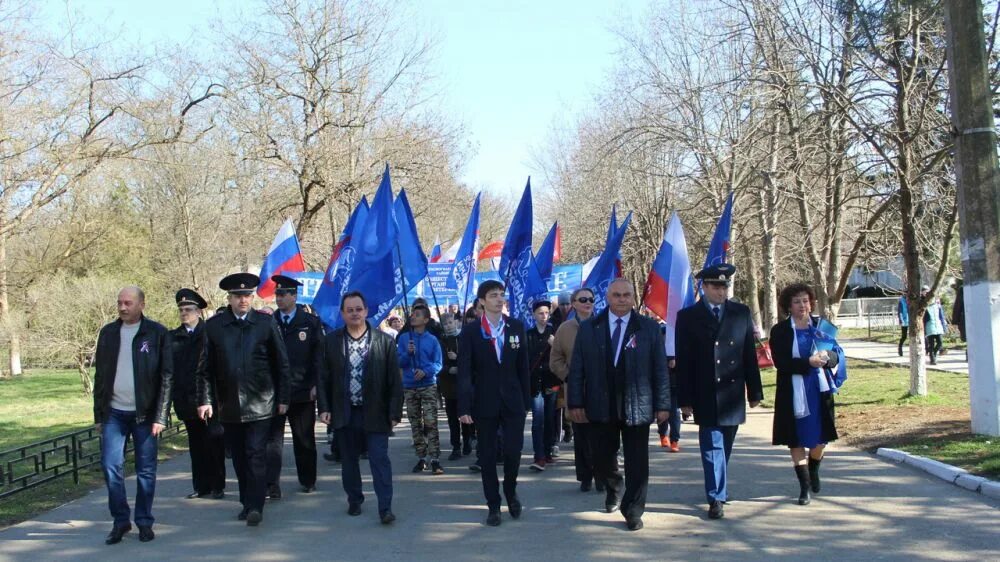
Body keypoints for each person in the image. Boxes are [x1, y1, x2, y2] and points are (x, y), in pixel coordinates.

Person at [567, 279, 670, 532]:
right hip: (601, 403)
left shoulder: (648, 328)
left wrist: (663, 403)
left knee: (638, 462)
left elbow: (660, 369)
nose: (622, 299)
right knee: (601, 457)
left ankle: (633, 510)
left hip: (638, 402)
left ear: (633, 297)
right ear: (608, 297)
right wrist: (575, 401)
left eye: (627, 295)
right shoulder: (591, 328)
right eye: (617, 295)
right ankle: (614, 487)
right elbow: (577, 368)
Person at [197, 273, 291, 527]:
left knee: (255, 454)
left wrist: (283, 397)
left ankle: (256, 505)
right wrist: (205, 401)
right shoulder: (215, 327)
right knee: (238, 457)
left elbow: (281, 363)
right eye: (238, 296)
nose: (243, 300)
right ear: (229, 298)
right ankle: (246, 502)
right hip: (229, 405)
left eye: (248, 295)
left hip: (262, 402)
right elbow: (205, 369)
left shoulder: (264, 324)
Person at [675, 263, 764, 521]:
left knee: (724, 445)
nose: (721, 291)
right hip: (705, 392)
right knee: (712, 445)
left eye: (725, 286)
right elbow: (684, 361)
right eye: (716, 286)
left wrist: (754, 391)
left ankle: (718, 485)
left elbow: (749, 354)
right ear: (704, 287)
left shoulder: (740, 313)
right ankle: (716, 497)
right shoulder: (688, 316)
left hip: (732, 392)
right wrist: (685, 400)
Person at [93, 286, 173, 545]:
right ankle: (120, 521)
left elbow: (166, 377)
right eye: (119, 303)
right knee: (110, 466)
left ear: (141, 304)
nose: (122, 307)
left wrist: (161, 415)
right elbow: (100, 376)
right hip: (114, 414)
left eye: (128, 303)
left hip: (145, 415)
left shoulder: (157, 333)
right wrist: (98, 415)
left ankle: (144, 521)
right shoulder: (108, 333)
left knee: (145, 471)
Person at [317, 291, 402, 525]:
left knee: (379, 459)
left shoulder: (383, 341)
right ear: (343, 314)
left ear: (366, 311)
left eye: (358, 309)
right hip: (345, 412)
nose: (355, 313)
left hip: (375, 411)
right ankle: (354, 499)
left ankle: (385, 507)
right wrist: (323, 407)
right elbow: (323, 377)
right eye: (350, 310)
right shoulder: (331, 341)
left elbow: (394, 380)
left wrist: (395, 412)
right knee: (349, 461)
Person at [458, 280, 530, 526]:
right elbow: (465, 371)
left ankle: (510, 491)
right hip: (485, 402)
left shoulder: (516, 327)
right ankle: (493, 505)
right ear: (482, 301)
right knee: (487, 456)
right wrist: (464, 407)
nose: (499, 299)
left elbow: (523, 367)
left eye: (501, 295)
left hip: (513, 401)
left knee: (513, 452)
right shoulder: (470, 331)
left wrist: (526, 399)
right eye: (493, 295)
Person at [770, 283, 841, 505]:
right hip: (793, 391)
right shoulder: (780, 331)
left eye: (805, 301)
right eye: (797, 301)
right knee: (796, 438)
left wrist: (828, 359)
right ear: (788, 306)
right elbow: (781, 363)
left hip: (819, 390)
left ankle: (814, 467)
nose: (803, 305)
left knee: (822, 439)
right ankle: (804, 487)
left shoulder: (822, 326)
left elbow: (836, 354)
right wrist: (807, 362)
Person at [266, 275, 323, 497]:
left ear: (294, 296)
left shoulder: (309, 323)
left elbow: (318, 358)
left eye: (283, 294)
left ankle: (308, 479)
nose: (278, 298)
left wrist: (315, 385)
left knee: (304, 438)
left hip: (302, 390)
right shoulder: (269, 322)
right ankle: (272, 484)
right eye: (277, 294)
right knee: (273, 441)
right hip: (275, 391)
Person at [171, 288, 225, 501]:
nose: (184, 313)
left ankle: (218, 485)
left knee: (214, 442)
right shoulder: (173, 337)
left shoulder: (209, 333)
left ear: (199, 312)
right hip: (186, 399)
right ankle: (201, 485)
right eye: (182, 310)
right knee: (196, 446)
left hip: (210, 398)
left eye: (189, 309)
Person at [550, 287, 601, 492]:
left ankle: (603, 474)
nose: (587, 302)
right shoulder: (565, 329)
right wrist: (570, 377)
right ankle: (585, 475)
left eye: (590, 299)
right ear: (574, 303)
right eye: (583, 299)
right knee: (581, 435)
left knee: (602, 435)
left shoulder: (603, 325)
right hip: (576, 390)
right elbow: (556, 360)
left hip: (601, 391)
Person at [397, 305, 445, 475]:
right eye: (412, 314)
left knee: (431, 422)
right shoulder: (403, 339)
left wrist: (426, 371)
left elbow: (438, 364)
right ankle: (421, 457)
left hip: (428, 385)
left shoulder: (432, 340)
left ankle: (435, 458)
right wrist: (407, 354)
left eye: (417, 315)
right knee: (415, 423)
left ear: (425, 320)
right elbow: (399, 362)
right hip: (410, 387)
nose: (413, 317)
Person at [526, 300, 559, 472]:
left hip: (551, 381)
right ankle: (539, 456)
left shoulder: (554, 333)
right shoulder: (529, 334)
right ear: (534, 315)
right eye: (540, 313)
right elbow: (527, 358)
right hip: (535, 383)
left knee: (549, 418)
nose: (544, 316)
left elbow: (561, 356)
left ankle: (547, 451)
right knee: (538, 419)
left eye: (546, 313)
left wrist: (555, 345)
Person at [439, 312, 475, 460]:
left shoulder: (464, 338)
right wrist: (448, 369)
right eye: (445, 324)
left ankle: (467, 440)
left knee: (465, 416)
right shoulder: (441, 341)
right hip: (448, 386)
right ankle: (455, 446)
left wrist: (458, 360)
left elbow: (471, 360)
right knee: (452, 419)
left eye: (450, 322)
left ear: (456, 322)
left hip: (463, 385)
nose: (448, 326)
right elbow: (438, 361)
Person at [923, 286, 947, 365]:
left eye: (927, 291)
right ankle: (932, 359)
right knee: (931, 344)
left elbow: (941, 315)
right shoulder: (923, 303)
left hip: (938, 325)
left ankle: (933, 354)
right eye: (924, 291)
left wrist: (944, 324)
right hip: (929, 326)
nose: (926, 293)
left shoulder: (937, 303)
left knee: (940, 343)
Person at [897, 292, 909, 357]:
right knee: (904, 336)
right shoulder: (901, 301)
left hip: (912, 320)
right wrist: (901, 320)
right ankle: (900, 347)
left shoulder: (912, 300)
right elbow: (900, 312)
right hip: (905, 320)